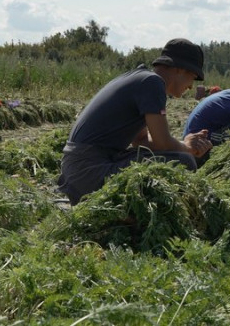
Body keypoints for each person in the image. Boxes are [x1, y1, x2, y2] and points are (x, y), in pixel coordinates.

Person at [57, 38, 213, 206]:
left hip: (78, 169)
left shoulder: (142, 79)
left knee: (173, 156)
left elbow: (141, 141)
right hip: (89, 171)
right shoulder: (153, 84)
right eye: (193, 77)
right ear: (180, 70)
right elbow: (163, 142)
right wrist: (187, 146)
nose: (191, 86)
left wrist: (183, 145)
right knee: (184, 161)